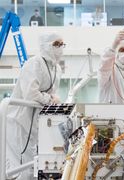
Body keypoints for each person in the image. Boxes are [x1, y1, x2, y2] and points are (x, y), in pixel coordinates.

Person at [6, 33, 63, 179]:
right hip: (20, 122)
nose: (60, 48)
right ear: (46, 45)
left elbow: (50, 95)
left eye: (62, 44)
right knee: (22, 166)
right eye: (57, 44)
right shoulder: (34, 64)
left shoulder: (56, 68)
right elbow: (31, 94)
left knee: (34, 163)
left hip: (36, 123)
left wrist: (51, 100)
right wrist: (50, 99)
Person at [98, 30, 124, 103]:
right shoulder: (109, 69)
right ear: (116, 52)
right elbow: (104, 65)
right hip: (109, 112)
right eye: (121, 50)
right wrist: (113, 47)